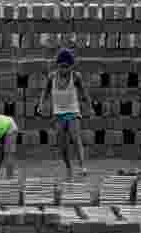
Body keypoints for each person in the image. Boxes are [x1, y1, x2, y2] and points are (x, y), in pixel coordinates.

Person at [36, 48, 93, 179]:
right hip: (58, 114)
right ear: (58, 66)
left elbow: (84, 93)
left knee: (75, 137)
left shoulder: (76, 76)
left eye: (67, 67)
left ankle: (82, 166)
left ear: (71, 66)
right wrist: (41, 104)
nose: (64, 70)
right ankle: (68, 167)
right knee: (62, 145)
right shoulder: (52, 77)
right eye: (61, 67)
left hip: (73, 112)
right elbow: (45, 92)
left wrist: (90, 107)